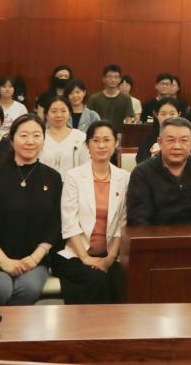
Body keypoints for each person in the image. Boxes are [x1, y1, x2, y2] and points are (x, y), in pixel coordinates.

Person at [0, 114, 61, 305]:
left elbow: (55, 224)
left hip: (35, 260)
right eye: (23, 135)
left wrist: (34, 258)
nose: (30, 141)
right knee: (0, 289)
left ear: (43, 140)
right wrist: (4, 261)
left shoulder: (52, 177)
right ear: (11, 140)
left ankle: (6, 325)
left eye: (36, 135)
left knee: (28, 289)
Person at [56, 121, 127, 304]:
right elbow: (69, 222)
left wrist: (110, 258)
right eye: (95, 140)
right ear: (87, 145)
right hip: (76, 254)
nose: (101, 145)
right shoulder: (74, 176)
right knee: (97, 280)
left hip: (111, 254)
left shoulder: (125, 178)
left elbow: (123, 224)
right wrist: (86, 258)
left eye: (106, 140)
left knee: (121, 280)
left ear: (116, 143)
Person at [127, 117, 191, 225]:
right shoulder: (142, 173)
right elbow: (138, 219)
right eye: (171, 140)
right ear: (160, 142)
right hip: (155, 234)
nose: (177, 146)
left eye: (183, 140)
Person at [42, 95, 90, 173]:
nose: (59, 115)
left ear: (69, 114)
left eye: (63, 111)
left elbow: (86, 165)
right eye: (54, 111)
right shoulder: (39, 137)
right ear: (46, 115)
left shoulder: (81, 137)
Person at [135, 96, 187, 164]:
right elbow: (141, 162)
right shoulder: (148, 139)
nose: (167, 117)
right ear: (156, 115)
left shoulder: (185, 137)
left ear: (179, 114)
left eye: (172, 114)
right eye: (163, 114)